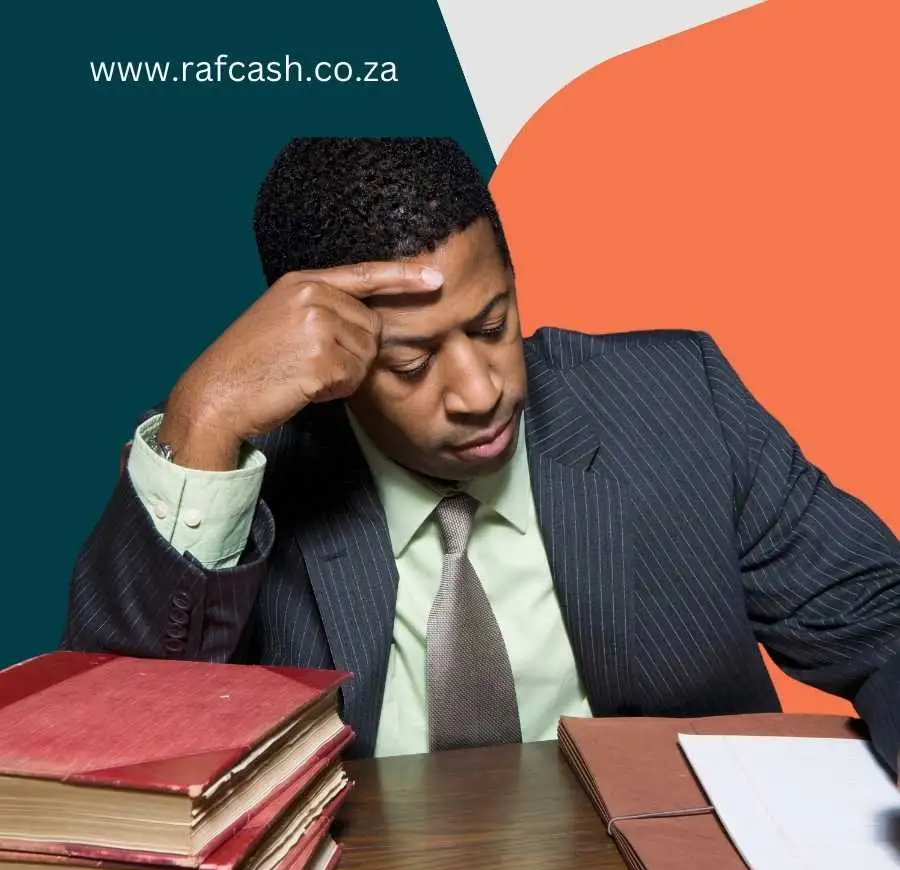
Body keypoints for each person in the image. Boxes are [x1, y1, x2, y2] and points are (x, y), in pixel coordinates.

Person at [62, 137, 900, 769]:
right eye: (412, 362)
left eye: (494, 324)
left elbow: (883, 618)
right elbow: (121, 751)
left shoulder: (679, 401)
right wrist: (203, 417)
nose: (479, 389)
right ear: (328, 357)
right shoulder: (249, 478)